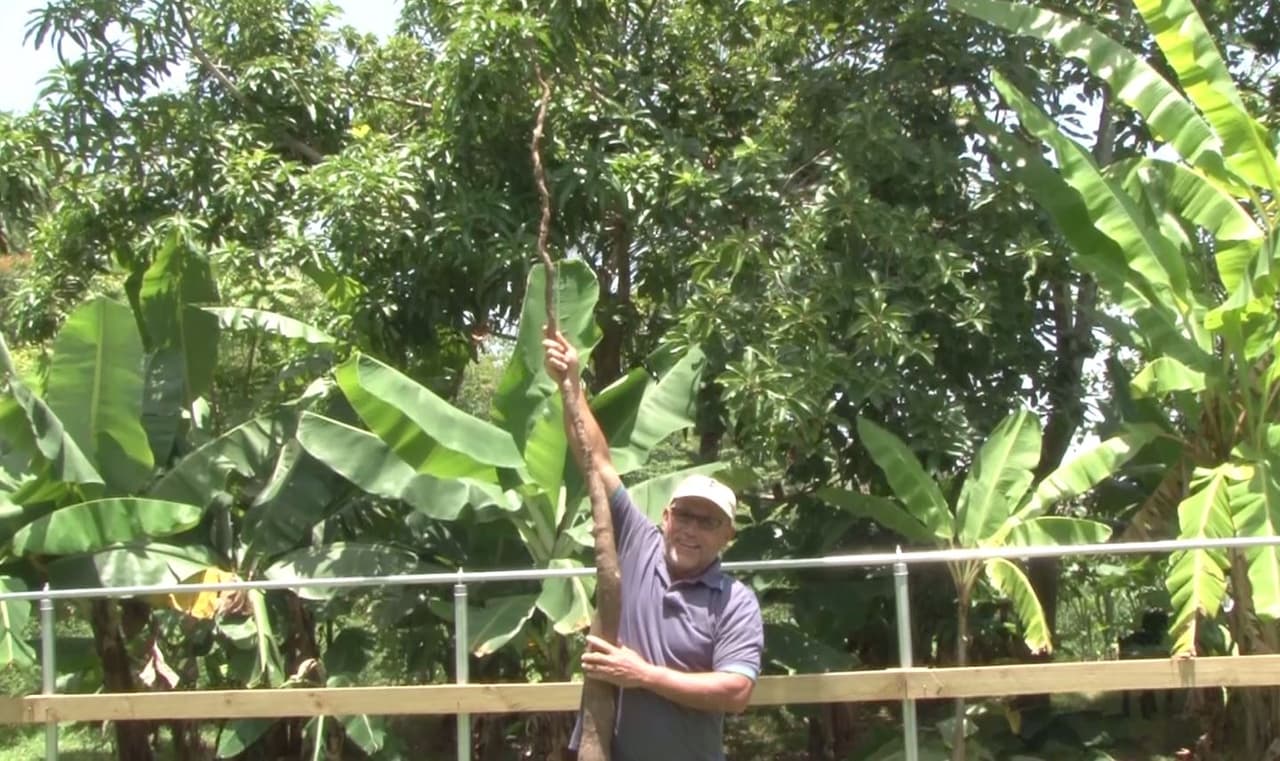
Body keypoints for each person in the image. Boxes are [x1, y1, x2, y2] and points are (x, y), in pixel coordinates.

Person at [543, 329, 765, 761]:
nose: (691, 529)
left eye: (708, 521)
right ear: (666, 516)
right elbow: (598, 461)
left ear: (727, 536)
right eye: (684, 515)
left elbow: (736, 690)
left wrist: (643, 674)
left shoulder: (735, 603)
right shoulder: (639, 544)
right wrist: (570, 384)